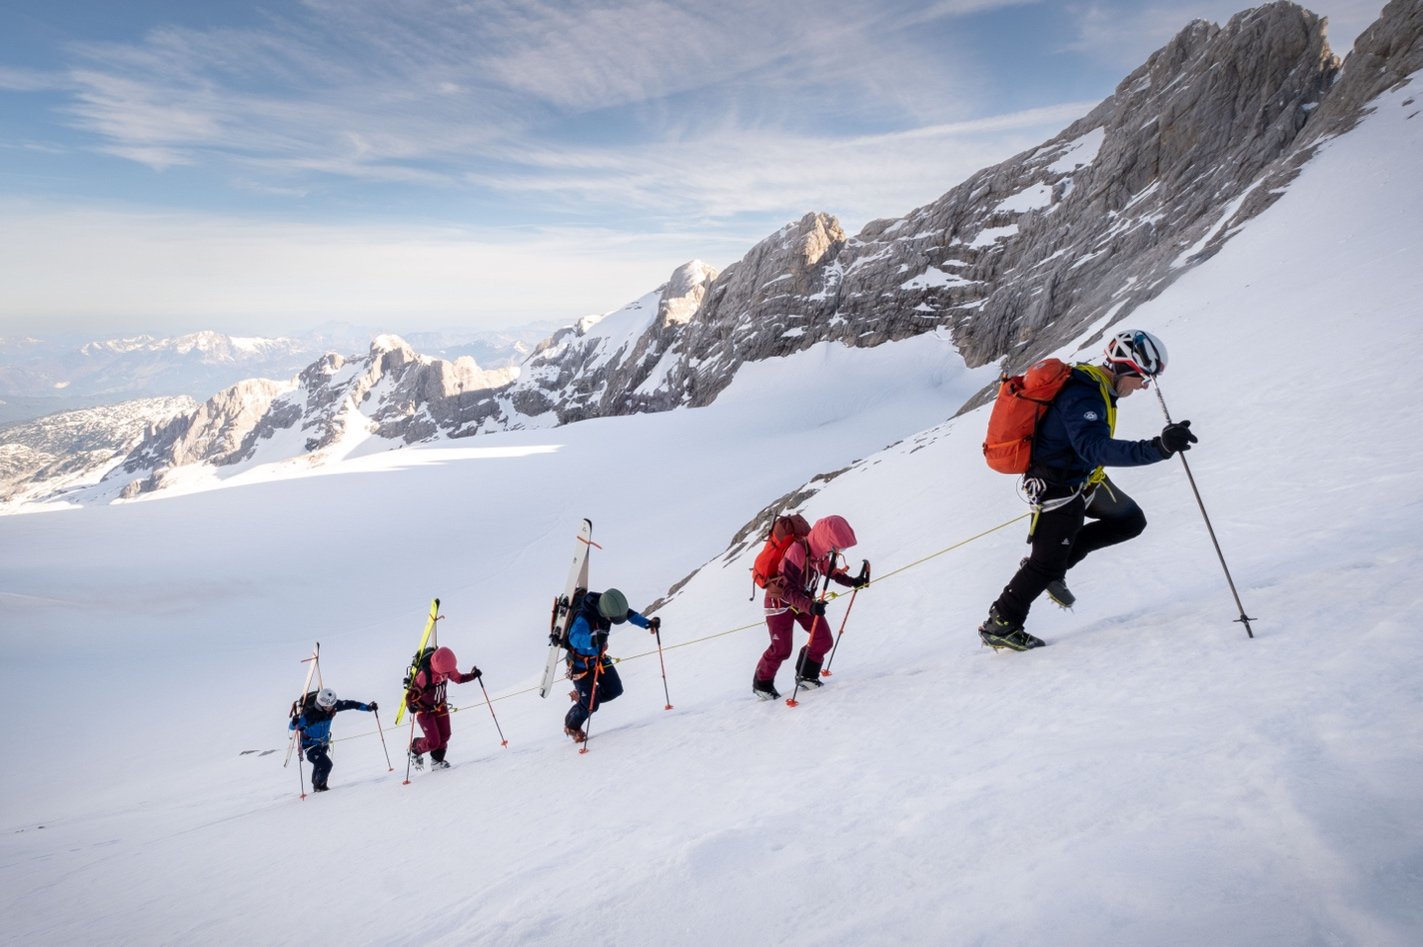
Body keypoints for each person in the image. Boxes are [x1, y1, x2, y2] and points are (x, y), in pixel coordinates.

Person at [978, 329, 1198, 651]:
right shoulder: (1084, 393)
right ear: (1123, 367)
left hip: (1084, 480)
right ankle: (1001, 623)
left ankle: (1056, 565)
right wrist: (1158, 448)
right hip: (1057, 487)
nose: (1143, 386)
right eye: (1141, 377)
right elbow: (1094, 447)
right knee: (1044, 564)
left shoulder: (1098, 388)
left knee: (1130, 521)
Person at [753, 514, 868, 699]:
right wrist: (810, 606)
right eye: (838, 547)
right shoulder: (797, 551)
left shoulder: (821, 554)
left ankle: (806, 675)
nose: (839, 551)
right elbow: (786, 590)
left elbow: (832, 573)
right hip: (780, 603)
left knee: (823, 639)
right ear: (826, 540)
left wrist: (854, 582)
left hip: (804, 602)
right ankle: (762, 684)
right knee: (782, 648)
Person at [562, 588, 658, 743]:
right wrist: (592, 640)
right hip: (580, 664)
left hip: (598, 658)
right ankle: (572, 725)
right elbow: (575, 638)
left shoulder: (609, 607)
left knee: (615, 690)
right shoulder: (584, 617)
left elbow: (629, 614)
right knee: (590, 705)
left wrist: (648, 624)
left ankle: (585, 698)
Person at [405, 646, 481, 770]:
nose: (448, 673)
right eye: (445, 671)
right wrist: (410, 705)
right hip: (425, 711)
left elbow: (459, 678)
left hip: (441, 706)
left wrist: (473, 675)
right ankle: (414, 748)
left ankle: (437, 761)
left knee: (445, 735)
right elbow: (411, 694)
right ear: (438, 667)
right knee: (433, 742)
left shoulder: (448, 668)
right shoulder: (425, 675)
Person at [289, 687, 378, 792]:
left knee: (320, 765)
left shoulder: (333, 706)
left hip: (323, 743)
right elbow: (292, 727)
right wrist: (294, 722)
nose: (330, 708)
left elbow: (351, 704)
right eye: (327, 706)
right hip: (310, 745)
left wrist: (368, 707)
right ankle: (320, 788)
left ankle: (317, 784)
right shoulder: (310, 715)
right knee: (327, 765)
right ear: (321, 704)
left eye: (332, 705)